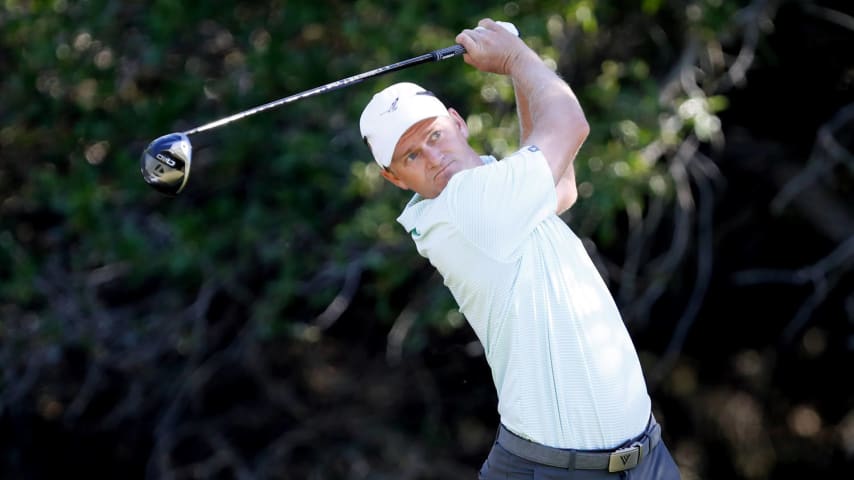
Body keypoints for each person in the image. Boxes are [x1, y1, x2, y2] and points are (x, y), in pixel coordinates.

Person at [359, 18, 681, 479]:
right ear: (393, 178)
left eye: (434, 136)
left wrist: (518, 70)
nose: (433, 157)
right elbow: (570, 123)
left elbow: (562, 187)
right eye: (411, 156)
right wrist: (515, 58)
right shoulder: (467, 207)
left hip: (645, 458)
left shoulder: (495, 187)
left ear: (457, 121)